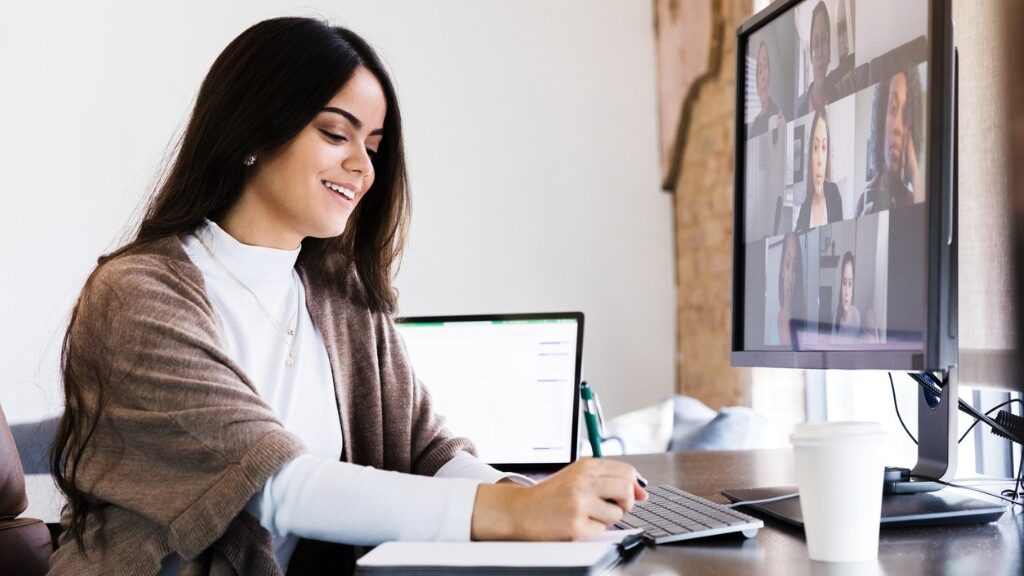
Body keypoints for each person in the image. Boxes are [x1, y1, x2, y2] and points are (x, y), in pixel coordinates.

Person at [47, 17, 646, 575]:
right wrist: (513, 515)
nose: (363, 167)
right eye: (337, 133)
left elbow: (426, 452)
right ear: (253, 130)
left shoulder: (340, 294)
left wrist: (527, 497)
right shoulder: (137, 296)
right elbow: (273, 484)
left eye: (375, 146)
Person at [855, 67, 924, 216]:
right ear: (881, 119)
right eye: (893, 108)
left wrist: (915, 174)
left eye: (906, 116)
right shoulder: (864, 200)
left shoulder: (914, 201)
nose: (898, 127)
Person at [795, 109, 842, 230]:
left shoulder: (834, 194)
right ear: (810, 154)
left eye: (824, 147)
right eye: (815, 148)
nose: (820, 160)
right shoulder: (805, 206)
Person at [796, 1, 835, 116]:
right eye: (815, 44)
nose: (819, 53)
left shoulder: (839, 96)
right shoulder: (800, 109)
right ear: (811, 57)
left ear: (829, 51)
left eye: (824, 40)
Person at [750, 41, 786, 138]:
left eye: (765, 66)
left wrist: (784, 132)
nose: (762, 77)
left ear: (769, 74)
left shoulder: (777, 114)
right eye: (759, 70)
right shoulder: (755, 126)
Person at [776, 233, 806, 347]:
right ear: (782, 271)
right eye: (787, 265)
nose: (790, 277)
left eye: (794, 268)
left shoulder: (802, 321)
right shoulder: (774, 323)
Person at [832, 251, 862, 341]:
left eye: (850, 284)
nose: (847, 292)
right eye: (844, 283)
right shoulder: (835, 317)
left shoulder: (856, 316)